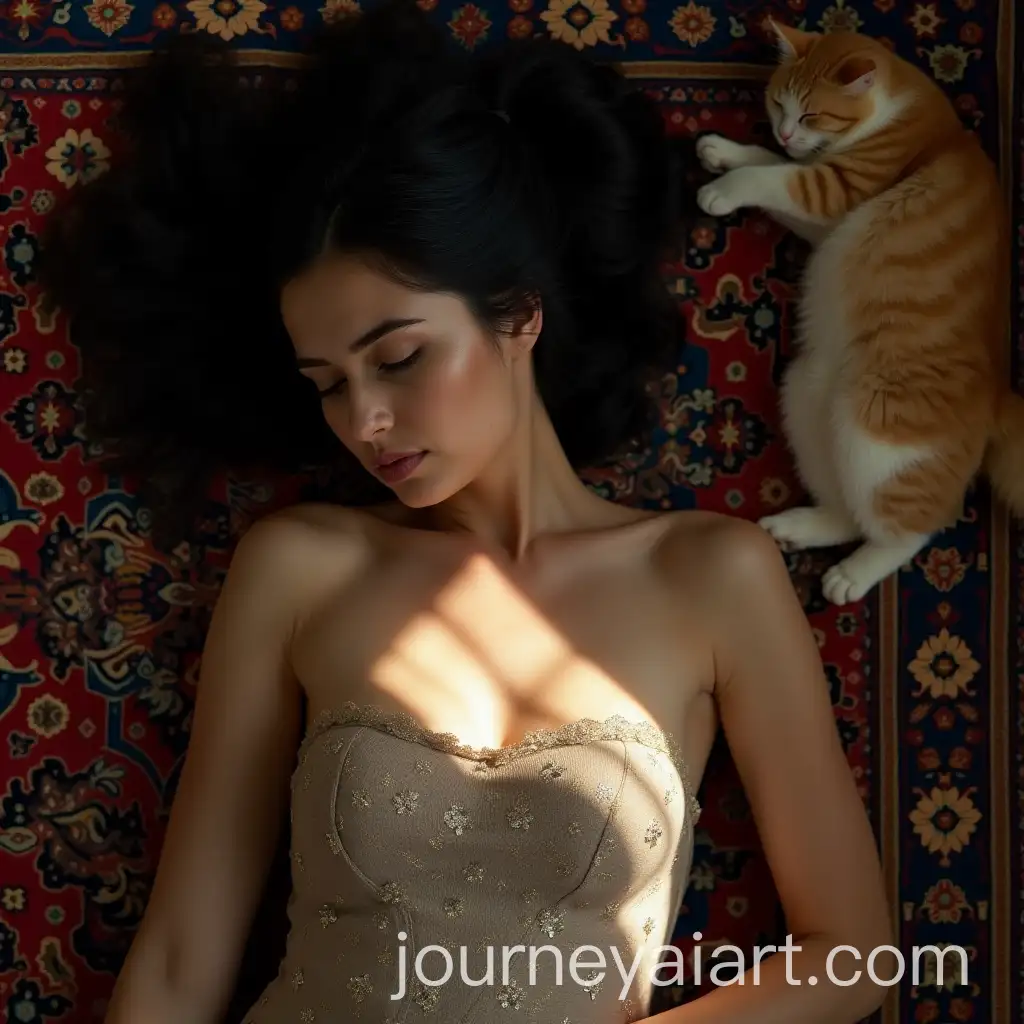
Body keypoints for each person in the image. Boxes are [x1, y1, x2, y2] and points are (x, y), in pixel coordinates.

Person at [39, 1, 893, 1020]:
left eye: (399, 358)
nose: (365, 417)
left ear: (519, 314)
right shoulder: (302, 566)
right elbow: (181, 960)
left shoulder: (710, 576)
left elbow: (851, 956)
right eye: (327, 380)